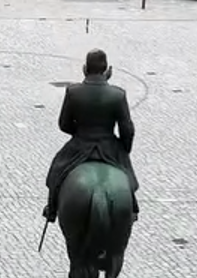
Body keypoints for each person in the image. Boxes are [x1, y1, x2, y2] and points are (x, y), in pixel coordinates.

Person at [43, 49, 139, 222]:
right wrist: (123, 148)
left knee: (56, 171)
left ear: (85, 69)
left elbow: (64, 124)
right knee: (128, 177)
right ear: (107, 70)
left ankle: (51, 208)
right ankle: (132, 208)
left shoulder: (73, 92)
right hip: (109, 146)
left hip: (80, 144)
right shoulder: (118, 94)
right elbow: (127, 129)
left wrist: (80, 133)